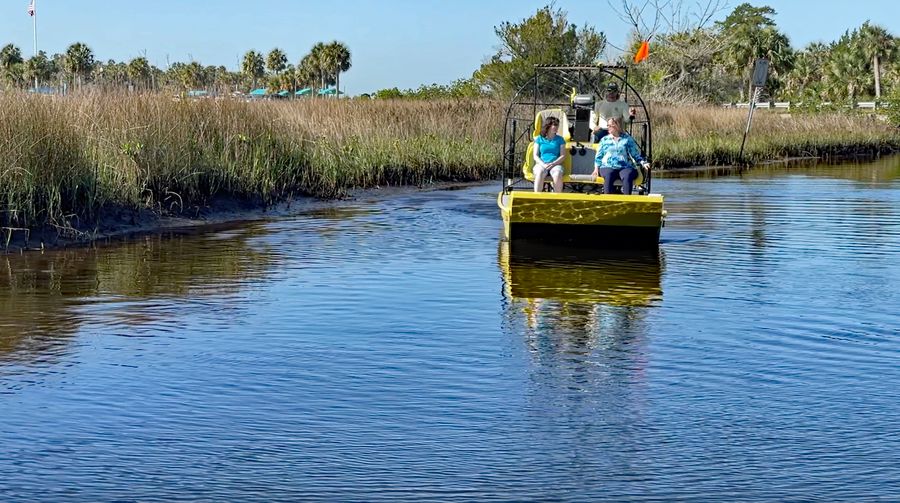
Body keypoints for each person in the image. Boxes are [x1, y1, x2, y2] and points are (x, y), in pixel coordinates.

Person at [592, 117, 650, 195]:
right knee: (609, 175)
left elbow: (635, 154)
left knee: (627, 176)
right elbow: (599, 156)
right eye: (607, 125)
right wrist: (596, 169)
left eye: (610, 125)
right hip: (608, 166)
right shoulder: (604, 140)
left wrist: (643, 163)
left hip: (625, 166)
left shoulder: (627, 139)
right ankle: (607, 199)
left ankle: (627, 199)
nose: (607, 127)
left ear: (617, 126)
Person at [533, 116, 566, 193]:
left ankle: (557, 198)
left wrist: (553, 163)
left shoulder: (560, 139)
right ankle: (537, 196)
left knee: (557, 173)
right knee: (540, 172)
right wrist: (543, 164)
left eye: (557, 125)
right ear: (548, 126)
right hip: (541, 164)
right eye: (554, 125)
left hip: (555, 164)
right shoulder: (539, 139)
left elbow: (563, 155)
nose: (556, 127)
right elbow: (535, 155)